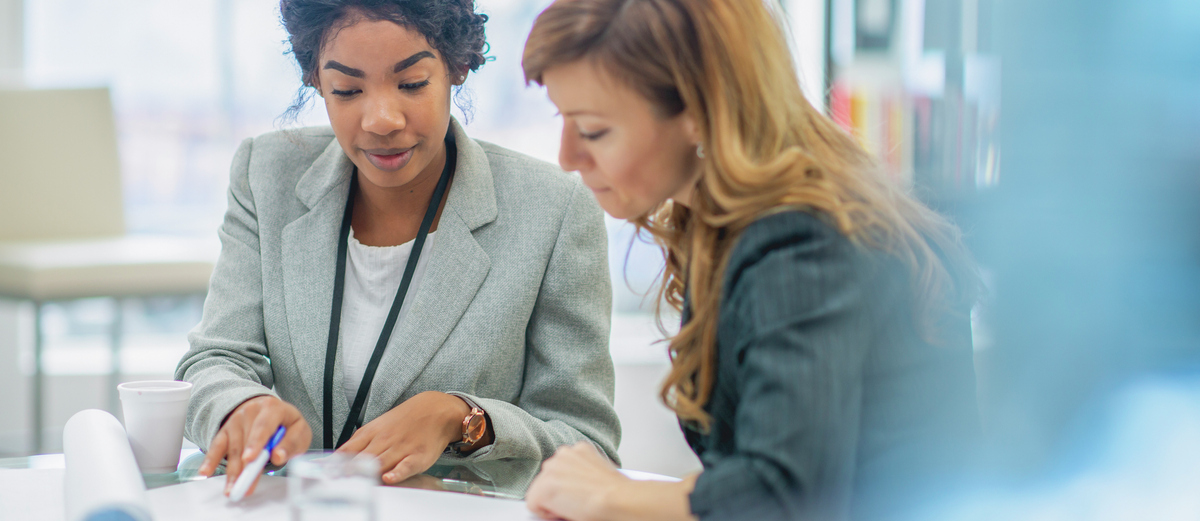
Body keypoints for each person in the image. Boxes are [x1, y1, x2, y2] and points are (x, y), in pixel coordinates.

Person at [520, 0, 981, 519]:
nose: (567, 158)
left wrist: (609, 494)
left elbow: (784, 491)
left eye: (594, 130)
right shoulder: (723, 226)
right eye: (564, 120)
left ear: (699, 111)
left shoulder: (800, 242)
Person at [175, 0, 620, 496]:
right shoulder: (267, 173)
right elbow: (213, 361)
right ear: (315, 80)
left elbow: (589, 448)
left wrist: (463, 418)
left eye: (411, 84)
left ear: (457, 66)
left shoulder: (553, 210)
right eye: (347, 89)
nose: (381, 119)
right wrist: (241, 407)